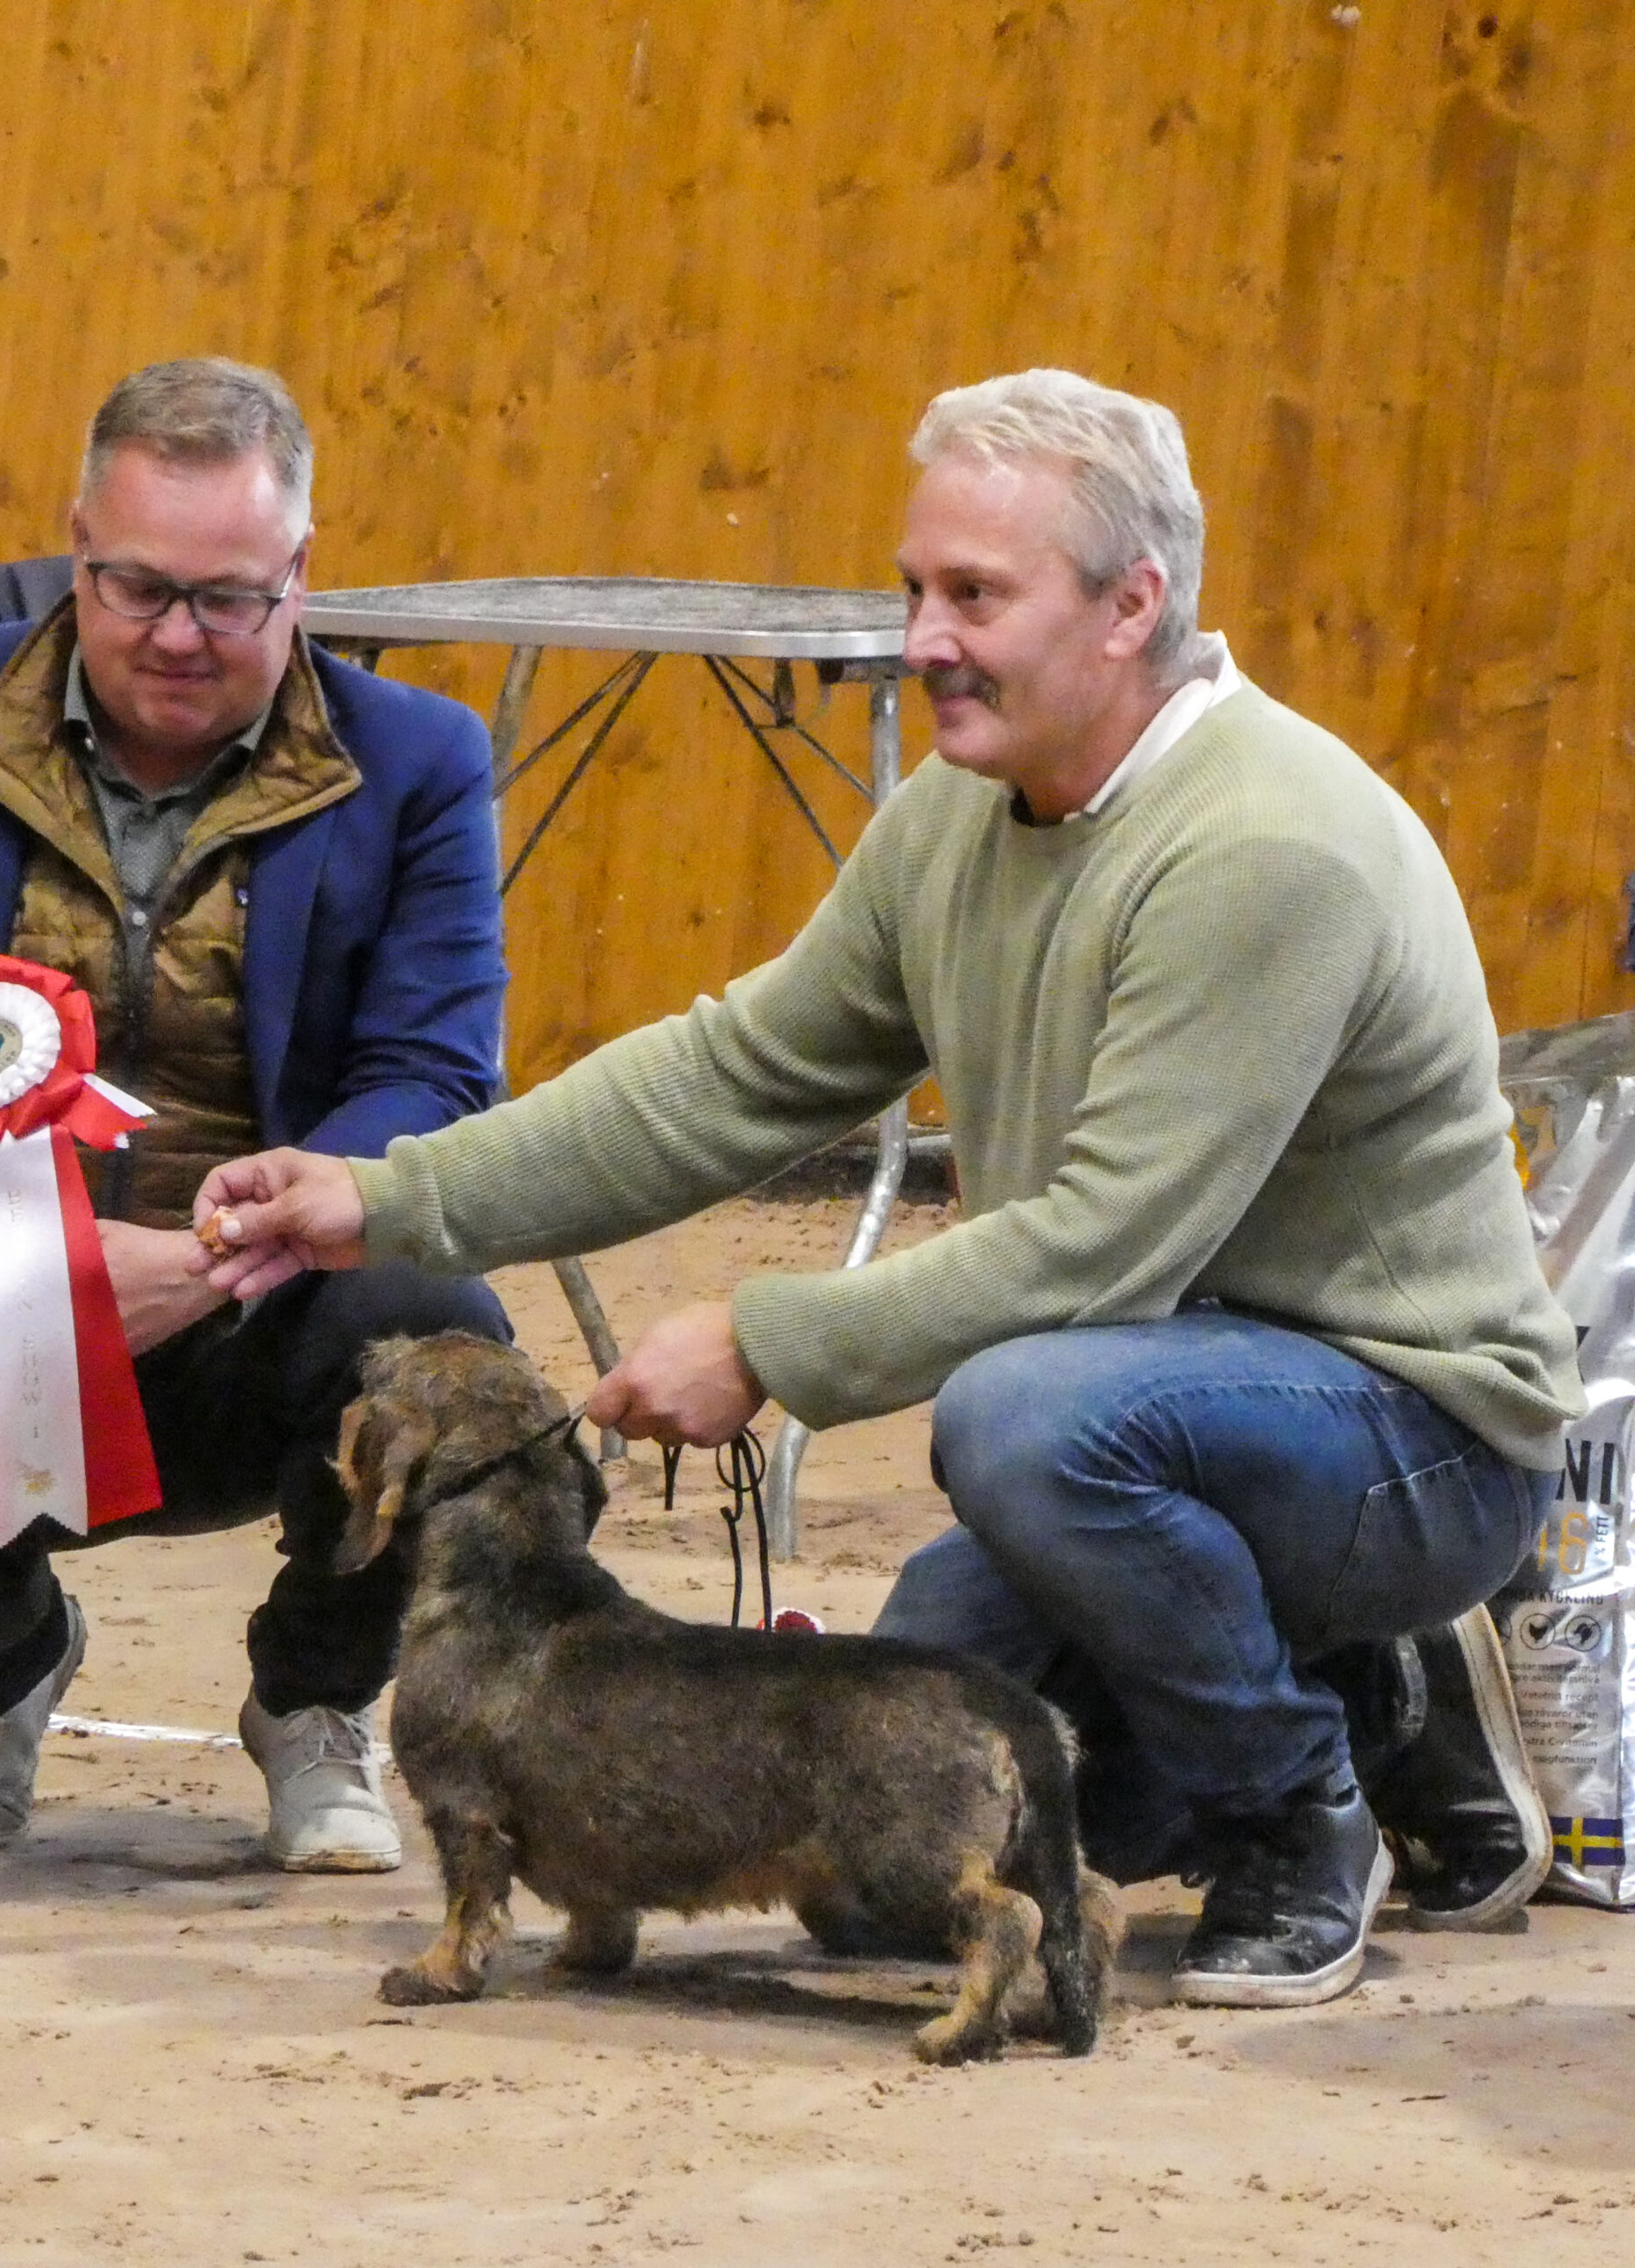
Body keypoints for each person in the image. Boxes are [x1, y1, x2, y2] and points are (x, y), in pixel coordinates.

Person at [195, 369, 1583, 2008]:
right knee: (871, 1855)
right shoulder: (956, 817)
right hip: (1159, 1406)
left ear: (1132, 605)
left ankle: (1297, 1809)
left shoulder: (1266, 849)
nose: (920, 636)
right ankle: (1373, 1691)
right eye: (916, 588)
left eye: (974, 596)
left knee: (1028, 1422)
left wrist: (768, 1343)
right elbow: (733, 1077)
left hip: (1407, 1437)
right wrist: (382, 1196)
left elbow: (1105, 1250)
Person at [0, 357, 510, 1870]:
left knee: (475, 1415)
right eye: (136, 587)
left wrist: (228, 1243)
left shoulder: (416, 759)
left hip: (278, 1278)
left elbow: (439, 1078)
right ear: (75, 538)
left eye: (230, 599)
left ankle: (314, 1702)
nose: (178, 637)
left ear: (301, 575)